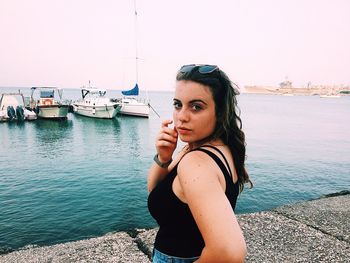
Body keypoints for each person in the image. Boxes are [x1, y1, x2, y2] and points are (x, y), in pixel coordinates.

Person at [147, 64, 252, 263]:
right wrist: (163, 158)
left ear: (220, 112)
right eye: (178, 104)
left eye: (196, 107)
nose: (182, 117)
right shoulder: (215, 148)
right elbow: (155, 191)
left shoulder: (196, 162)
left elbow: (229, 253)